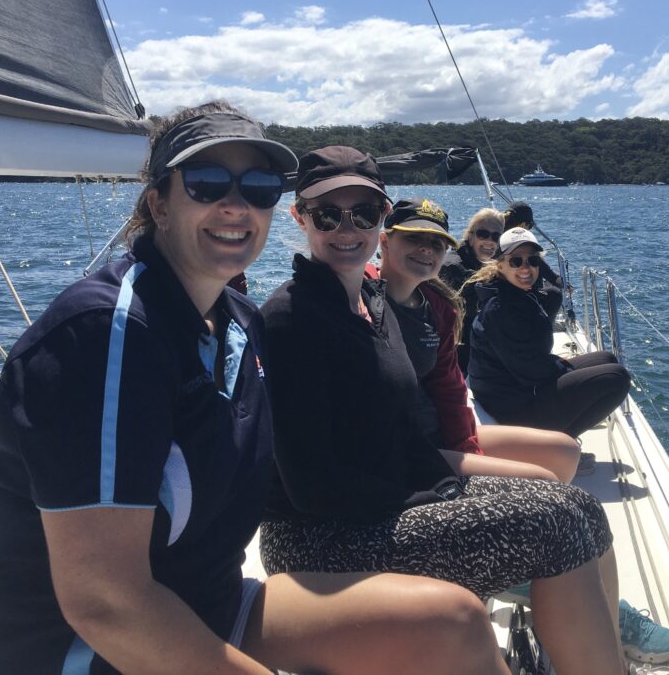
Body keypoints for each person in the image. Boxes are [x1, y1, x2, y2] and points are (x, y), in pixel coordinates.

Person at [0, 105, 503, 675]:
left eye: (258, 188)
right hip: (65, 651)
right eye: (205, 183)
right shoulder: (105, 335)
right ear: (159, 202)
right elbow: (106, 604)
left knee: (455, 622)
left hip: (210, 602)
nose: (236, 206)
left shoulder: (240, 322)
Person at [260, 145, 629, 675]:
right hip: (320, 536)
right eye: (326, 214)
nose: (347, 227)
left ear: (380, 219)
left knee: (578, 508)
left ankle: (592, 652)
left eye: (362, 212)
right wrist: (441, 491)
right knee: (557, 522)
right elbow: (312, 486)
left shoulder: (371, 301)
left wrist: (444, 483)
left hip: (388, 500)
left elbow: (406, 425)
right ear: (300, 217)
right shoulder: (291, 318)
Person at [373, 196, 582, 483]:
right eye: (413, 238)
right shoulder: (363, 301)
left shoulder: (439, 306)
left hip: (440, 431)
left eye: (436, 243)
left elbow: (450, 388)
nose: (426, 248)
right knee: (546, 482)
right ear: (384, 242)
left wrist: (467, 448)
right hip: (408, 447)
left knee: (566, 451)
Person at [467, 227, 632, 439]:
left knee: (606, 358)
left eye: (532, 261)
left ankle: (561, 426)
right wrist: (562, 367)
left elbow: (529, 359)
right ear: (500, 265)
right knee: (617, 378)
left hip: (517, 387)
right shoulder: (500, 308)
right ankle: (557, 445)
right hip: (513, 407)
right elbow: (531, 370)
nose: (526, 268)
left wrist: (558, 366)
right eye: (516, 261)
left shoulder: (516, 292)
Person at [439, 207, 504, 374]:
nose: (490, 241)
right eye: (483, 234)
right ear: (470, 236)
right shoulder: (452, 267)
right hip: (457, 355)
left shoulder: (492, 262)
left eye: (496, 236)